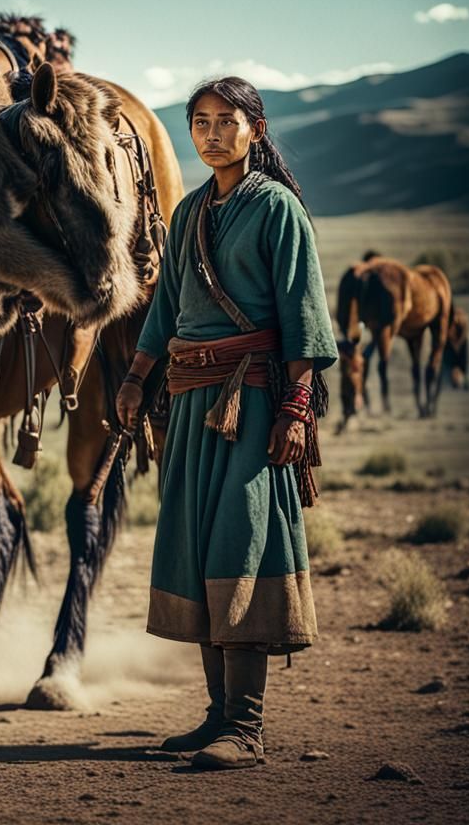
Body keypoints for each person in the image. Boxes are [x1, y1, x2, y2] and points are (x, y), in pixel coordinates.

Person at [117, 77, 337, 770]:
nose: (212, 134)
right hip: (188, 402)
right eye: (200, 122)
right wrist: (135, 375)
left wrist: (297, 409)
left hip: (254, 405)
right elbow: (164, 310)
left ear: (257, 129)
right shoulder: (187, 214)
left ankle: (245, 727)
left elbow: (303, 314)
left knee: (243, 547)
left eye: (226, 121)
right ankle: (216, 715)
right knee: (198, 548)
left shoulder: (277, 210)